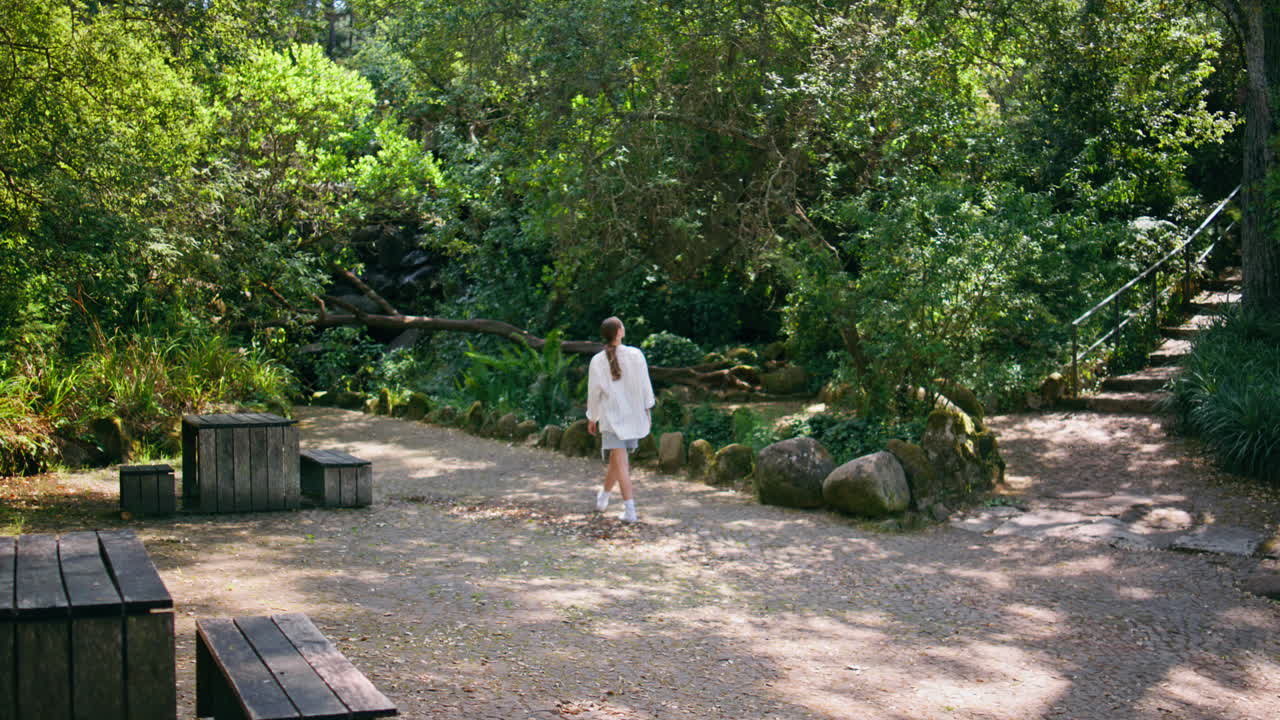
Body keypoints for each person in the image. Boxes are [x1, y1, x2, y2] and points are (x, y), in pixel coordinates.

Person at [586, 316, 655, 523]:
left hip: (612, 417)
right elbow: (645, 386)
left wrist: (592, 416)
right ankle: (629, 510)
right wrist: (647, 409)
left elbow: (593, 393)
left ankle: (606, 499)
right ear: (619, 332)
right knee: (621, 462)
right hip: (632, 416)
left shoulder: (597, 360)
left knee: (619, 463)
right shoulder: (636, 355)